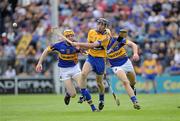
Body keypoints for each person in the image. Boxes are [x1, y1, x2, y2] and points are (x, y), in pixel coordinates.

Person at [72, 29, 141, 110]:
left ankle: (132, 87)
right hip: (116, 66)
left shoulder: (117, 39)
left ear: (110, 35)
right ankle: (135, 101)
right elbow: (99, 55)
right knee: (125, 82)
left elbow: (133, 45)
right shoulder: (101, 45)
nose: (105, 37)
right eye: (104, 35)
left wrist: (135, 53)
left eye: (107, 35)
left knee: (132, 82)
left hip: (126, 62)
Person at [36, 29, 97, 112]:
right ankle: (68, 94)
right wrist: (40, 63)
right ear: (65, 37)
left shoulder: (77, 44)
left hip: (75, 68)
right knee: (73, 94)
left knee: (83, 87)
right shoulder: (58, 45)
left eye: (72, 36)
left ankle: (93, 107)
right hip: (64, 71)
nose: (70, 37)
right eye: (68, 36)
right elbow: (46, 50)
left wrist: (83, 51)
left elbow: (87, 52)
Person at [77, 18, 111, 111]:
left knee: (99, 83)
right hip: (91, 57)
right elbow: (89, 44)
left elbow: (93, 45)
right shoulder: (91, 32)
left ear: (105, 26)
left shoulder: (107, 36)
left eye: (102, 24)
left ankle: (101, 100)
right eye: (99, 23)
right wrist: (83, 49)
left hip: (100, 60)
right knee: (83, 74)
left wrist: (77, 43)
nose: (100, 25)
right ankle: (84, 94)